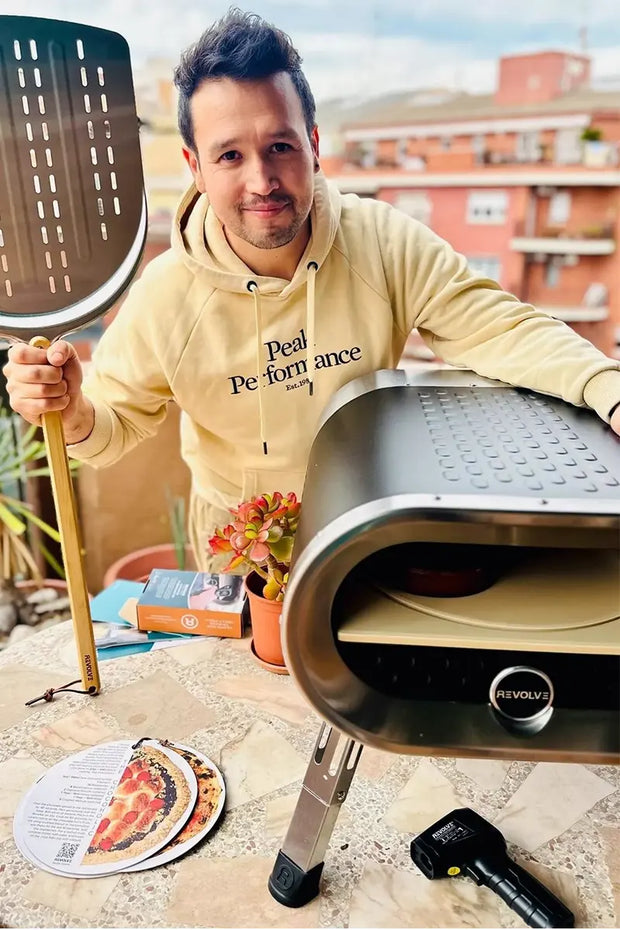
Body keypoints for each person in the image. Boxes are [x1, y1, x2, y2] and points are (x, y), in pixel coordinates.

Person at [4, 9, 620, 570]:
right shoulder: (164, 295)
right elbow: (107, 431)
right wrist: (71, 409)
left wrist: (606, 387)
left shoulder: (382, 241)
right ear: (194, 166)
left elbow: (502, 329)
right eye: (229, 156)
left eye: (280, 146)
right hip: (241, 553)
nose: (262, 180)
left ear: (315, 145)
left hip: (368, 528)